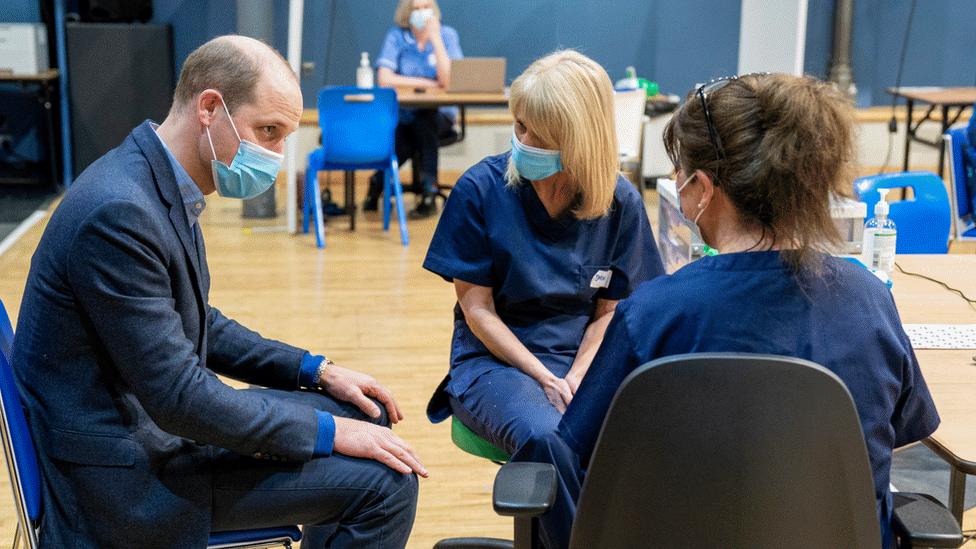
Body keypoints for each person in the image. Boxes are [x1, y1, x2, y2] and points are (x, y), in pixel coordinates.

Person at [11, 36, 426, 549]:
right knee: (387, 484)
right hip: (120, 477)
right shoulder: (118, 213)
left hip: (148, 428)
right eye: (267, 132)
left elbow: (196, 320)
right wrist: (328, 434)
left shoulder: (152, 178)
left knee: (366, 415)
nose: (276, 156)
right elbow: (180, 399)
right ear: (210, 108)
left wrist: (317, 371)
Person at [514, 73, 941, 549]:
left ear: (701, 188)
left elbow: (577, 449)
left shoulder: (652, 315)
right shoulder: (871, 302)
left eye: (679, 173)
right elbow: (899, 431)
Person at [422, 50, 665, 458]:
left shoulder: (619, 201)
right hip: (498, 360)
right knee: (553, 437)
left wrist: (576, 377)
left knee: (653, 433)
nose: (522, 140)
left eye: (537, 133)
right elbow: (477, 310)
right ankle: (572, 526)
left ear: (576, 141)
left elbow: (610, 312)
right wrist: (545, 378)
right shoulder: (479, 190)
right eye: (519, 124)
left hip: (586, 358)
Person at [364, 0, 463, 218]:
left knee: (423, 121)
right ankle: (429, 189)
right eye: (416, 8)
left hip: (441, 117)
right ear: (407, 12)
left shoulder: (447, 35)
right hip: (405, 115)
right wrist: (427, 83)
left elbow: (449, 81)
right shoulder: (397, 36)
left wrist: (436, 39)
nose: (422, 12)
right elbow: (384, 78)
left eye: (426, 7)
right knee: (412, 128)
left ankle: (380, 182)